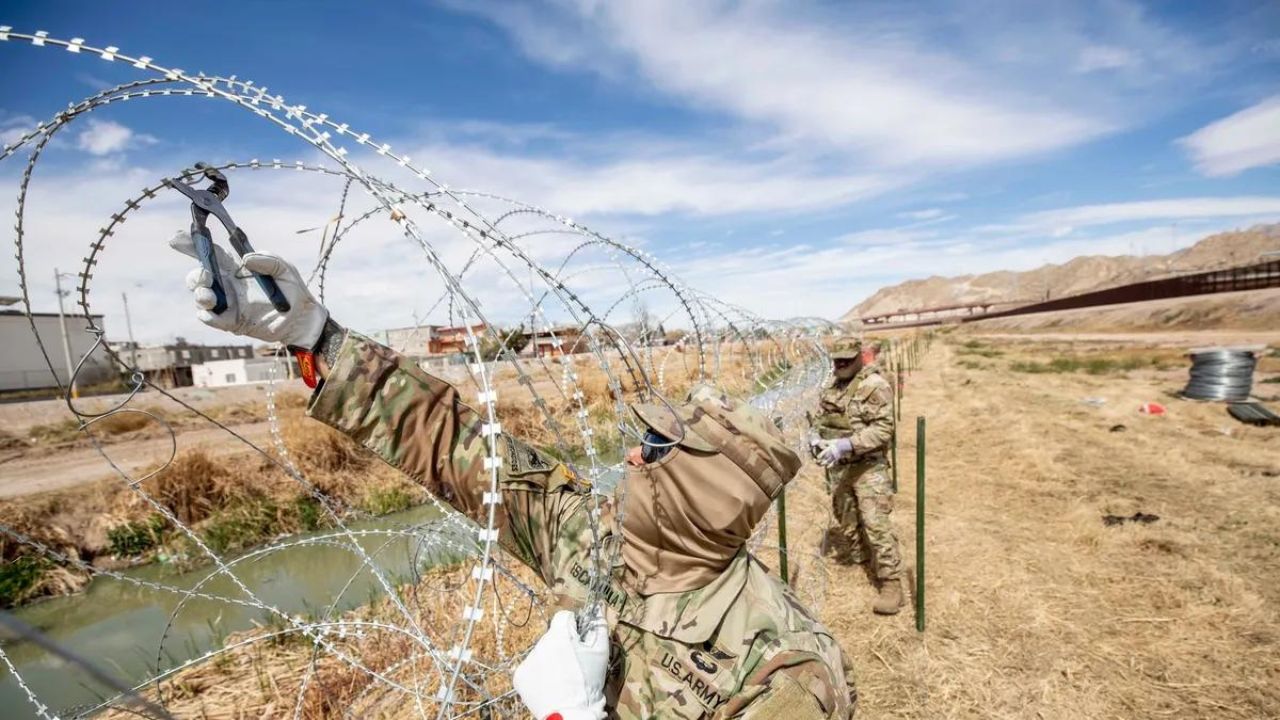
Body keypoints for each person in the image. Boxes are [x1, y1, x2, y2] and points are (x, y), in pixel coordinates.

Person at [168, 230, 857, 718]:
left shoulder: (782, 673)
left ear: (710, 494)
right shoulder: (587, 533)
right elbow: (459, 448)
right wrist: (316, 337)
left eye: (657, 446)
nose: (633, 456)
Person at [811, 338, 905, 615]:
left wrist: (846, 444)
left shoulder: (874, 385)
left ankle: (891, 584)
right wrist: (816, 438)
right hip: (840, 467)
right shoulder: (833, 386)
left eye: (846, 360)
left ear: (859, 357)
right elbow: (823, 418)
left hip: (868, 466)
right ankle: (864, 560)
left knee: (876, 523)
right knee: (847, 518)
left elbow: (883, 430)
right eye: (836, 360)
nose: (840, 365)